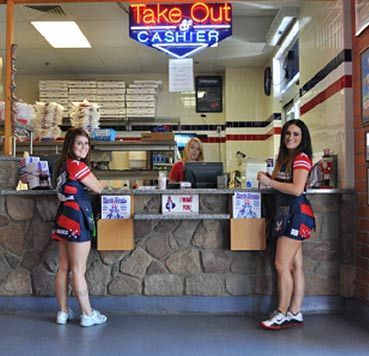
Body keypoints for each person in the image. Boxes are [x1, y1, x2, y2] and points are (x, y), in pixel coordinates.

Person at [257, 119, 315, 330]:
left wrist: (269, 182)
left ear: (303, 138)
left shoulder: (301, 158)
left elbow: (297, 189)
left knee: (281, 265)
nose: (291, 137)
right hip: (288, 214)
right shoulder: (285, 158)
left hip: (296, 215)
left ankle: (282, 313)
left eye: (296, 134)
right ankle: (295, 312)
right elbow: (278, 183)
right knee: (294, 265)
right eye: (288, 133)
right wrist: (267, 178)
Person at [51, 128, 108, 327]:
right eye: (79, 143)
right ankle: (87, 314)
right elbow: (98, 188)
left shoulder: (62, 166)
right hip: (77, 218)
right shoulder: (77, 165)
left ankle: (63, 312)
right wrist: (105, 183)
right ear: (70, 146)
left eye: (86, 143)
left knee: (63, 268)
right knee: (78, 270)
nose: (84, 148)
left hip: (63, 217)